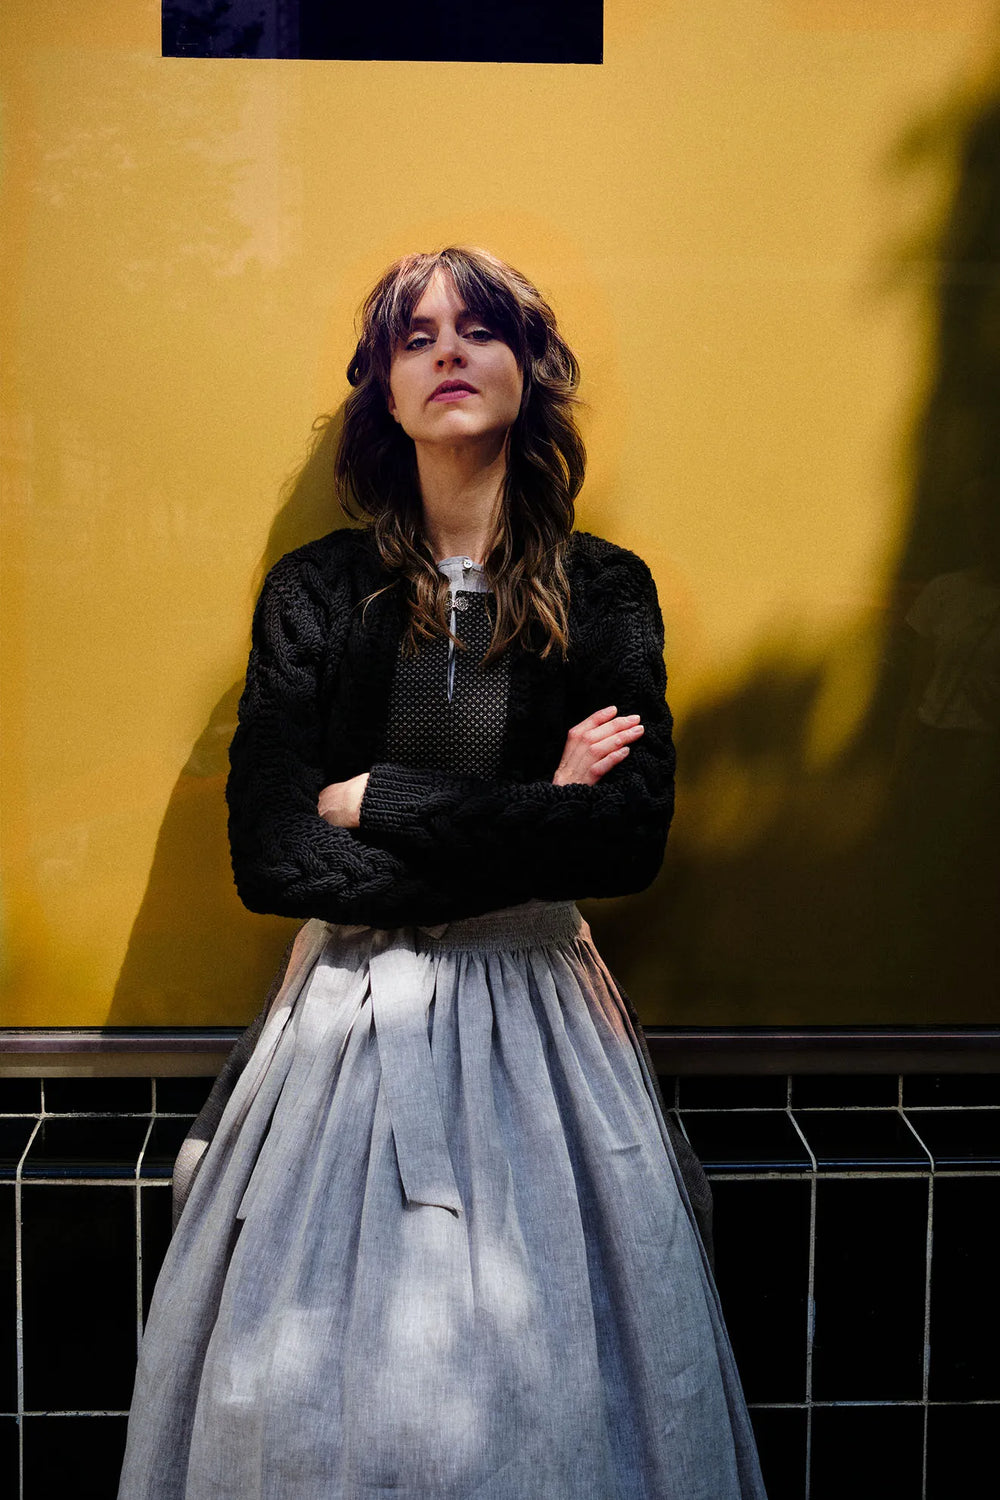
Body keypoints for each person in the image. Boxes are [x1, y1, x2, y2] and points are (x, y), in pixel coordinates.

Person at [117, 246, 767, 1499]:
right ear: (384, 391)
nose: (450, 353)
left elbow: (626, 840)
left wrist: (386, 802)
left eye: (478, 330)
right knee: (324, 1396)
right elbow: (273, 857)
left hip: (542, 1031)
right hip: (346, 1031)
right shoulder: (316, 591)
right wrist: (538, 812)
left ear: (530, 370)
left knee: (550, 1394)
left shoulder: (604, 591)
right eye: (417, 339)